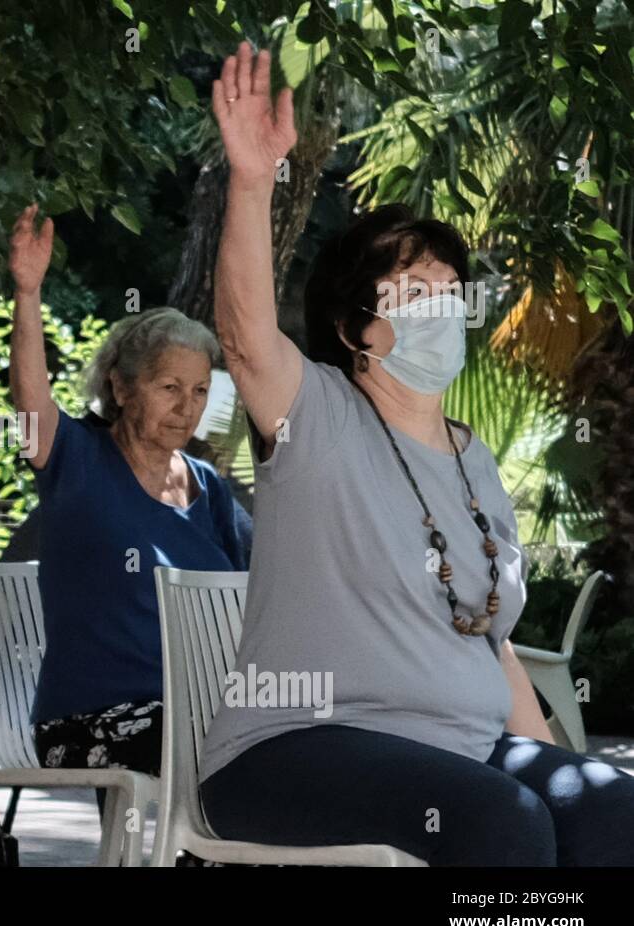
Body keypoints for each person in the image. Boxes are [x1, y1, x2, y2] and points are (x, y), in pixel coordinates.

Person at [198, 42, 634, 865]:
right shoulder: (319, 415)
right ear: (352, 329)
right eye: (410, 292)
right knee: (504, 821)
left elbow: (488, 644)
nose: (439, 307)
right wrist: (254, 181)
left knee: (612, 810)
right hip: (291, 750)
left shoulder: (476, 463)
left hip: (461, 750)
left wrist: (567, 773)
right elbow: (247, 339)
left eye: (447, 290)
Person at [7, 204, 251, 780]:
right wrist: (27, 291)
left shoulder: (207, 488)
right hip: (91, 722)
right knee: (232, 758)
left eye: (197, 391)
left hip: (200, 716)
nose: (186, 406)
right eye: (168, 387)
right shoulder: (77, 461)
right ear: (120, 385)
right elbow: (30, 402)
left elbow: (256, 592)